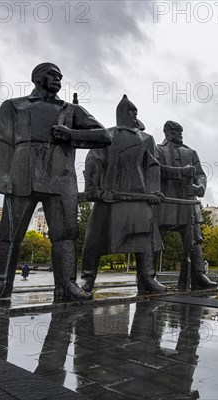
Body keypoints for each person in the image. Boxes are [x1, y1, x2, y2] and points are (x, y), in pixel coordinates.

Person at [0, 63, 111, 302]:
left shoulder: (71, 110)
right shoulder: (14, 106)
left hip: (60, 178)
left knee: (66, 234)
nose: (58, 79)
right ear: (37, 78)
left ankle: (67, 284)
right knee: (9, 234)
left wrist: (72, 134)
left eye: (61, 76)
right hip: (22, 176)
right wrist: (0, 177)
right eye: (53, 75)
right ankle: (0, 284)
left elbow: (104, 136)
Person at [79, 96, 195, 294]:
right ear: (123, 113)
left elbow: (152, 166)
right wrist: (93, 190)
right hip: (110, 197)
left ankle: (148, 278)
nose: (135, 115)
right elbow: (93, 162)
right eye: (132, 111)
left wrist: (154, 191)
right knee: (96, 239)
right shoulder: (107, 135)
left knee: (145, 240)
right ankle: (88, 279)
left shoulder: (146, 139)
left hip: (140, 198)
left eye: (136, 112)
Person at [155, 121, 217, 290]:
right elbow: (156, 171)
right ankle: (149, 277)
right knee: (155, 239)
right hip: (166, 203)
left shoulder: (191, 152)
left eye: (181, 131)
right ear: (167, 132)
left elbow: (201, 175)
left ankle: (198, 275)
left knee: (196, 240)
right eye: (176, 131)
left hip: (189, 204)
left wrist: (199, 187)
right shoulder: (157, 150)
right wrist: (181, 172)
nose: (180, 134)